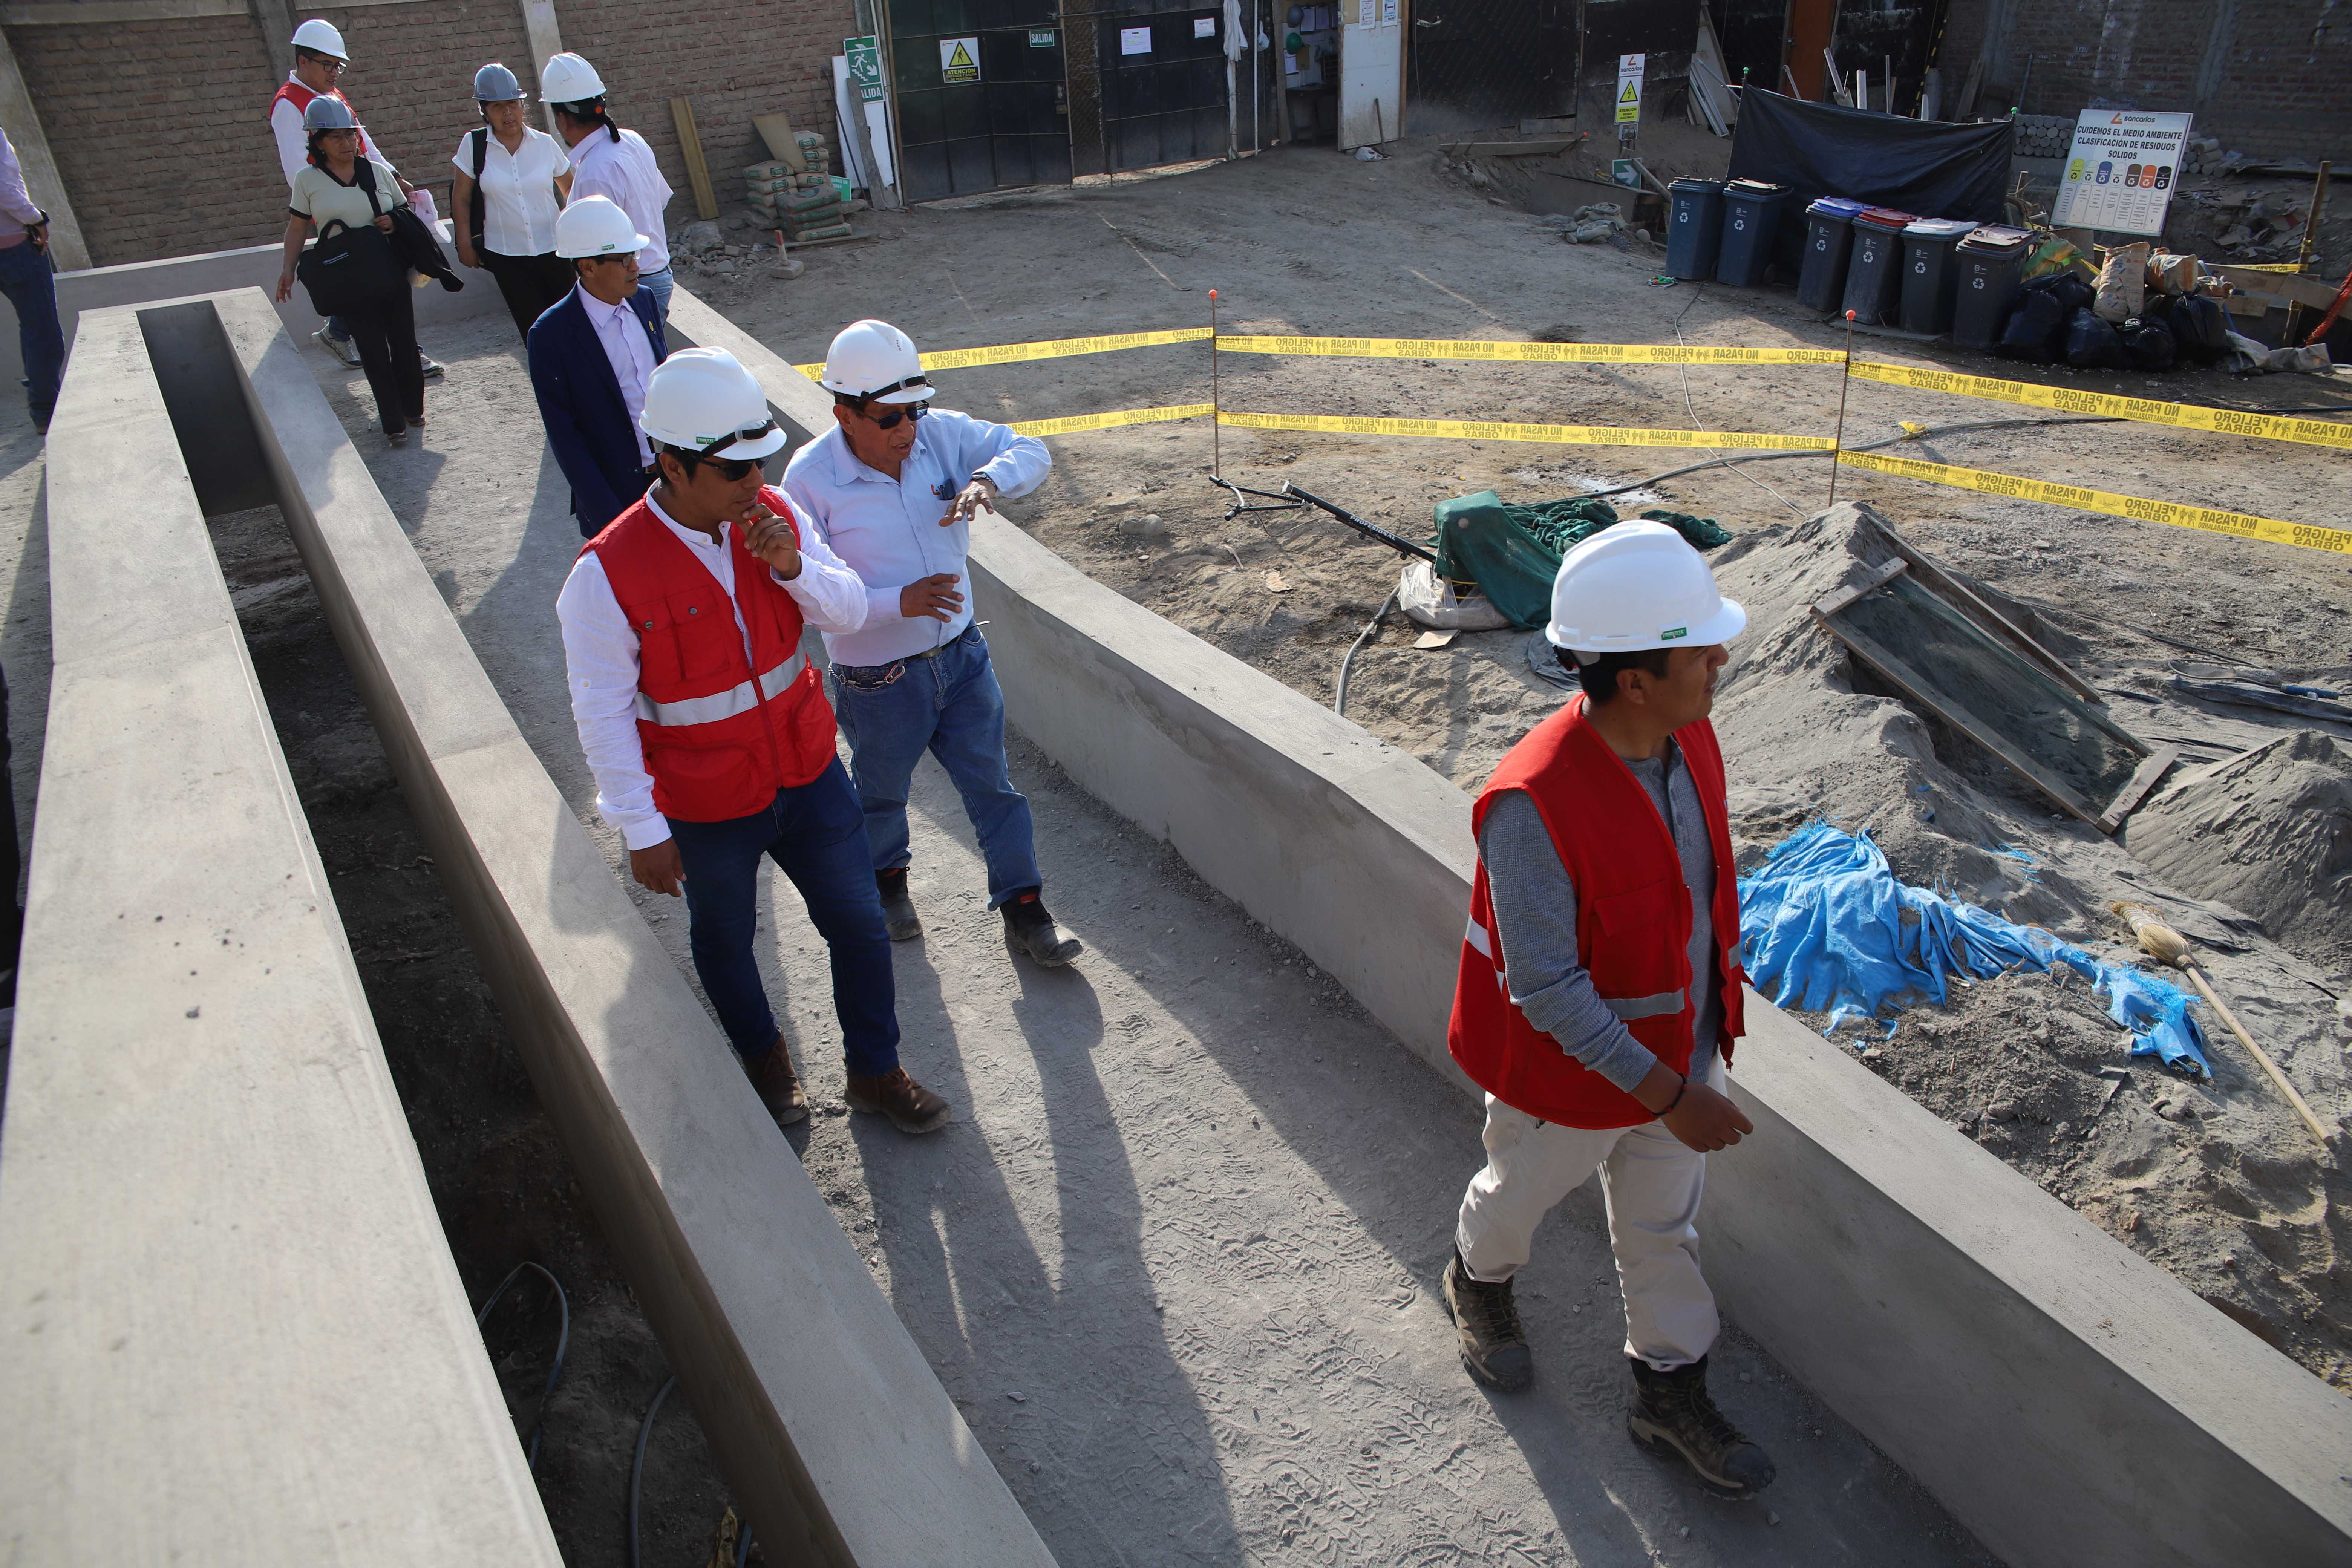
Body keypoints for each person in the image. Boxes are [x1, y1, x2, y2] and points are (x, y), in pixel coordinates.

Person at [1441, 520, 1776, 1502]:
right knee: (1520, 1197)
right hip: (1570, 1081)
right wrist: (1671, 1094)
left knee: (1665, 1233)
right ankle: (1477, 1278)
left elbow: (1698, 898)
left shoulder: (1691, 738)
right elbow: (1545, 986)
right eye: (1699, 647)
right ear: (1634, 678)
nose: (1720, 658)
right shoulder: (1532, 805)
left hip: (1679, 1062)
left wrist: (1699, 1055)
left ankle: (1669, 1391)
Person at [556, 348, 953, 1135]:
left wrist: (793, 565)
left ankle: (875, 1070)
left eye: (759, 462)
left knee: (861, 926)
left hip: (808, 773)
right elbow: (599, 710)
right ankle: (765, 1058)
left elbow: (843, 612)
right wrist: (640, 827)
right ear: (670, 463)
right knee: (726, 940)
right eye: (733, 469)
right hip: (706, 805)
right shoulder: (605, 574)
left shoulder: (773, 515)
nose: (752, 483)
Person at [781, 320, 1080, 968]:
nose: (908, 431)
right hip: (878, 681)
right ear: (845, 415)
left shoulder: (940, 435)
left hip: (963, 656)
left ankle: (1025, 912)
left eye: (914, 410)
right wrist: (900, 603)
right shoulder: (807, 483)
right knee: (882, 795)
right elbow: (815, 598)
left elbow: (1030, 447)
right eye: (889, 419)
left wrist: (989, 481)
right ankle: (889, 886)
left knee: (994, 788)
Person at [265, 18, 443, 379]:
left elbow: (365, 144)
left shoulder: (332, 96)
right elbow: (297, 170)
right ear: (303, 61)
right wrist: (329, 207)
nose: (335, 73)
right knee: (373, 277)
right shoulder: (289, 105)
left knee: (377, 276)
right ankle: (402, 353)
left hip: (366, 200)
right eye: (328, 65)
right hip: (338, 212)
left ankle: (347, 334)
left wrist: (394, 178)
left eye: (338, 66)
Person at [274, 98, 424, 444]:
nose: (347, 143)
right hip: (350, 281)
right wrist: (288, 269)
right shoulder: (307, 180)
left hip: (390, 273)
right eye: (337, 137)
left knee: (404, 344)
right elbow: (297, 228)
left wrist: (393, 222)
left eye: (351, 135)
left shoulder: (378, 171)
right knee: (372, 351)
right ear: (318, 143)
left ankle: (414, 409)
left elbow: (407, 215)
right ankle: (393, 424)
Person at [528, 196, 667, 535]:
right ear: (587, 267)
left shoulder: (645, 301)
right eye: (624, 260)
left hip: (674, 481)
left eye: (633, 256)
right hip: (618, 496)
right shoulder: (551, 334)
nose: (636, 266)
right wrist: (610, 521)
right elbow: (566, 436)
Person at [538, 53, 676, 325]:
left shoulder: (594, 171)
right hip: (657, 275)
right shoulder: (632, 141)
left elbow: (597, 253)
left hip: (628, 286)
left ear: (562, 120)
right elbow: (660, 200)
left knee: (633, 366)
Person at [451, 63, 573, 341]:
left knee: (569, 325)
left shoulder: (544, 144)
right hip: (507, 256)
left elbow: (572, 191)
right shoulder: (474, 145)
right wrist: (465, 244)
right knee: (534, 331)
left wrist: (575, 234)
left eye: (513, 104)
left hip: (554, 250)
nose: (508, 113)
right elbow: (461, 198)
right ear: (484, 111)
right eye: (497, 107)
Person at [0, 126, 63, 434]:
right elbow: (4, 190)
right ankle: (46, 413)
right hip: (13, 250)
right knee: (41, 330)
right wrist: (37, 218)